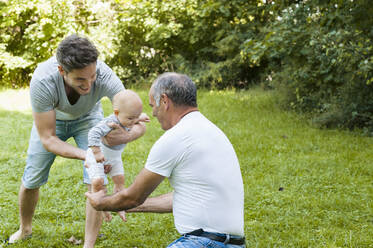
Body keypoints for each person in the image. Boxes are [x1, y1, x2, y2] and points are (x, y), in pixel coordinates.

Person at [7, 34, 146, 248]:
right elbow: (48, 138)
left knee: (96, 180)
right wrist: (87, 154)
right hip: (53, 121)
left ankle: (88, 245)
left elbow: (138, 120)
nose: (89, 84)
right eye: (80, 79)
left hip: (90, 118)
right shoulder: (43, 81)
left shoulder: (105, 75)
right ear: (62, 70)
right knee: (31, 179)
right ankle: (25, 229)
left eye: (92, 76)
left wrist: (125, 135)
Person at [85, 72, 246, 247]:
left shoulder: (176, 137)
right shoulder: (213, 132)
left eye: (153, 105)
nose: (153, 113)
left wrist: (101, 203)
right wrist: (121, 205)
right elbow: (183, 197)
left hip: (202, 242)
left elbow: (134, 197)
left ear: (164, 101)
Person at [85, 89, 150, 223]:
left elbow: (134, 116)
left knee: (120, 180)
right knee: (98, 182)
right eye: (130, 118)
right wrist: (97, 152)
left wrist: (139, 117)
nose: (133, 122)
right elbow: (93, 133)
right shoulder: (109, 123)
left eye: (135, 117)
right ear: (116, 113)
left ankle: (120, 206)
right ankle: (104, 208)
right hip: (97, 156)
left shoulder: (128, 116)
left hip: (114, 157)